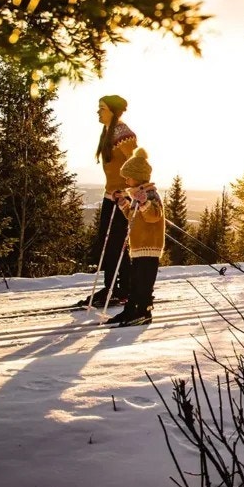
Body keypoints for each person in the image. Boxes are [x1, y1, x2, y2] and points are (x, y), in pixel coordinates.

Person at [79, 95, 137, 308]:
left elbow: (137, 164)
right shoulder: (108, 131)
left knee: (116, 245)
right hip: (110, 195)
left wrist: (129, 191)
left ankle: (122, 290)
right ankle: (112, 286)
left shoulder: (123, 133)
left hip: (122, 197)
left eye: (102, 108)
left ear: (113, 111)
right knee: (108, 243)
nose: (98, 112)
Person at [106, 147, 164, 326]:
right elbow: (133, 217)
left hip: (150, 247)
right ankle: (131, 309)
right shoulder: (137, 195)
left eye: (128, 177)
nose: (126, 180)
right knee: (134, 282)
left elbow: (155, 215)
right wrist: (124, 204)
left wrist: (144, 202)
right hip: (138, 247)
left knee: (144, 283)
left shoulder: (151, 194)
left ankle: (144, 311)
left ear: (138, 176)